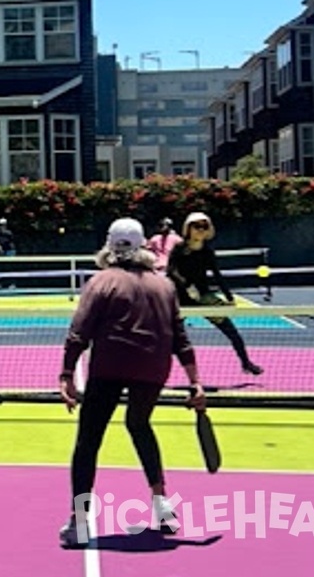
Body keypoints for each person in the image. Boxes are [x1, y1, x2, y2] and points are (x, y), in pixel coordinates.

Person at [58, 218, 205, 548]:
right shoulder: (164, 285)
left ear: (109, 245)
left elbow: (78, 332)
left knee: (88, 440)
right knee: (139, 424)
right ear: (143, 247)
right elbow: (181, 338)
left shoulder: (101, 281)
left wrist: (67, 373)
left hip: (109, 366)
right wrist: (195, 382)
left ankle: (79, 521)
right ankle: (162, 505)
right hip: (153, 368)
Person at [166, 211, 263, 376]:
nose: (200, 230)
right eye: (197, 226)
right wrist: (187, 286)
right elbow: (171, 270)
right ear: (188, 228)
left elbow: (217, 275)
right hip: (181, 300)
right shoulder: (179, 249)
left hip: (204, 298)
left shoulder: (207, 252)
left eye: (204, 227)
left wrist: (229, 297)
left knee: (232, 332)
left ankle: (246, 363)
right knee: (167, 335)